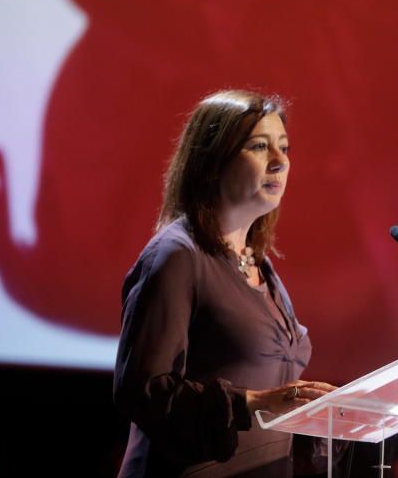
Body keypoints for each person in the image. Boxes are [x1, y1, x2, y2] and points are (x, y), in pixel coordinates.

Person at [114, 89, 338, 477]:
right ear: (212, 162)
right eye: (259, 146)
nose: (280, 161)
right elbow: (143, 391)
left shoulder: (259, 265)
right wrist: (251, 402)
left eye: (284, 148)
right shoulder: (177, 257)